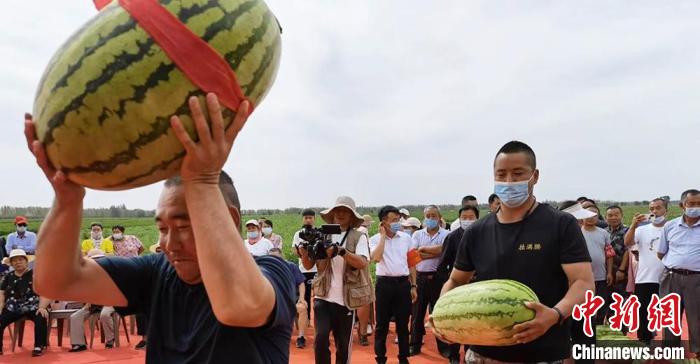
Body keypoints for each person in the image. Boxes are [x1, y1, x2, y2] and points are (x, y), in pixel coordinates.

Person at [27, 94, 296, 363]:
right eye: (164, 229)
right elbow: (54, 280)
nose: (169, 244)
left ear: (229, 218)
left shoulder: (273, 272)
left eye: (182, 226)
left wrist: (202, 180)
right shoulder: (157, 273)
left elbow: (238, 306)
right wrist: (67, 199)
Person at [437, 141, 594, 363]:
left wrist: (555, 315)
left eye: (518, 173)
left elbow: (583, 283)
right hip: (483, 354)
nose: (508, 181)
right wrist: (443, 316)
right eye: (501, 174)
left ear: (535, 176)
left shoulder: (560, 224)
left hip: (544, 353)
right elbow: (455, 280)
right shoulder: (476, 232)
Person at [299, 196, 372, 364]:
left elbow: (362, 262)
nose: (340, 213)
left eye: (345, 211)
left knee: (343, 345)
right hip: (323, 297)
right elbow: (309, 265)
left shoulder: (358, 236)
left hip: (345, 300)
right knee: (321, 338)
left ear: (352, 216)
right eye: (337, 210)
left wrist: (341, 251)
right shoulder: (323, 234)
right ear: (331, 214)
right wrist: (304, 252)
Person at [369, 205, 418, 364]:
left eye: (398, 220)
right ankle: (381, 359)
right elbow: (376, 258)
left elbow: (412, 263)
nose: (397, 223)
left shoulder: (406, 238)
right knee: (381, 325)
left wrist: (413, 285)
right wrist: (383, 236)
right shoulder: (374, 239)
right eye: (393, 220)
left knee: (403, 325)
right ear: (383, 222)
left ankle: (403, 358)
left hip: (403, 284)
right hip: (384, 285)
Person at [658, 189, 700, 356]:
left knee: (696, 317)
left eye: (699, 204)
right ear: (682, 205)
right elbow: (661, 252)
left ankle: (697, 351)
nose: (696, 207)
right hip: (671, 276)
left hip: (696, 278)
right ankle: (670, 351)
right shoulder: (670, 226)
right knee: (670, 316)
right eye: (691, 203)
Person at [437, 205, 479, 364]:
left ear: (477, 218)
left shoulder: (483, 236)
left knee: (473, 322)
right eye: (464, 218)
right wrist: (448, 285)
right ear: (459, 219)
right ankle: (453, 354)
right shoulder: (452, 237)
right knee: (456, 322)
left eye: (471, 217)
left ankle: (470, 352)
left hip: (476, 289)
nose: (468, 220)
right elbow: (442, 264)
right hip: (457, 288)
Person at [624, 198, 668, 345]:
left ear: (666, 210)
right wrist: (633, 226)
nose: (655, 211)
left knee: (670, 310)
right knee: (643, 311)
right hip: (645, 277)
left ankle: (671, 342)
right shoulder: (641, 230)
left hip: (668, 277)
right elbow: (627, 243)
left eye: (658, 208)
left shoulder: (671, 227)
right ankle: (644, 339)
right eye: (652, 208)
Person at [409, 205, 450, 357]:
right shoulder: (417, 234)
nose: (431, 219)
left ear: (440, 218)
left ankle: (444, 347)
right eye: (428, 216)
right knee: (417, 314)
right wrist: (435, 252)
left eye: (434, 216)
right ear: (424, 218)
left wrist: (423, 249)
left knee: (439, 314)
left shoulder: (447, 234)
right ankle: (415, 344)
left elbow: (444, 250)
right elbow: (413, 256)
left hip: (439, 278)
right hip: (420, 277)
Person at [0, 249, 50, 356]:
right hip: (12, 307)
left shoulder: (36, 274)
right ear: (11, 263)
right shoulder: (7, 276)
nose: (18, 262)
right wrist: (0, 307)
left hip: (33, 306)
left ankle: (39, 346)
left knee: (41, 316)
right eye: (14, 261)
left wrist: (42, 306)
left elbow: (46, 291)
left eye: (20, 260)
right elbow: (2, 293)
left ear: (26, 261)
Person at [68, 249, 117, 352]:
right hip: (93, 304)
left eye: (99, 259)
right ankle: (79, 344)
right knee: (75, 316)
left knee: (104, 315)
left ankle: (110, 339)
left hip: (110, 302)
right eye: (95, 260)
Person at [110, 225, 148, 349]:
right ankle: (144, 338)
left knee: (144, 305)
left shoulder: (132, 238)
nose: (116, 233)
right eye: (114, 232)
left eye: (118, 231)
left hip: (139, 268)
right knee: (138, 307)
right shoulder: (110, 242)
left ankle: (147, 338)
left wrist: (135, 258)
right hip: (124, 272)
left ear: (123, 232)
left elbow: (141, 248)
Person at [268, 248, 308, 348]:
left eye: (277, 258)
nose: (275, 260)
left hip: (292, 299)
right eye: (272, 258)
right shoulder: (267, 268)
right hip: (275, 301)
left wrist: (302, 298)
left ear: (282, 257)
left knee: (302, 308)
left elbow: (301, 283)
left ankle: (301, 337)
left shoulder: (291, 266)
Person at [580, 205, 613, 323]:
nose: (590, 218)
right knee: (583, 306)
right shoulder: (576, 232)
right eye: (587, 215)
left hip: (601, 276)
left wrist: (609, 272)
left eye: (594, 215)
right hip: (581, 278)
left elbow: (609, 255)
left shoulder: (604, 233)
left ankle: (597, 330)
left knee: (600, 305)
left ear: (598, 217)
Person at [292, 208, 318, 349]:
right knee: (305, 298)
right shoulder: (298, 234)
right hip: (303, 269)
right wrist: (305, 254)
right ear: (303, 219)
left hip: (317, 270)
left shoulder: (318, 233)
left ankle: (319, 325)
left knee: (319, 298)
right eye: (306, 217)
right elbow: (295, 250)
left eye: (310, 217)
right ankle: (306, 325)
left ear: (315, 219)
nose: (308, 219)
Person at [604, 205, 630, 333]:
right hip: (606, 274)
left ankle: (622, 332)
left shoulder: (627, 231)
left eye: (616, 215)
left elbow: (628, 250)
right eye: (610, 215)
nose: (613, 218)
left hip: (621, 274)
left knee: (621, 303)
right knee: (607, 304)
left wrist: (622, 269)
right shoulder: (603, 232)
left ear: (621, 216)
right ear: (605, 217)